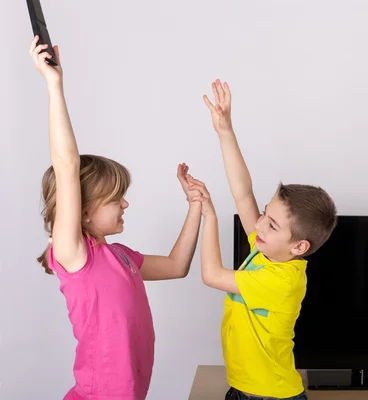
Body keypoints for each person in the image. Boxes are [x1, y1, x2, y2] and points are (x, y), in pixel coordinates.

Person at [30, 36, 204, 400]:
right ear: (84, 208)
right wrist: (54, 85)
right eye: (115, 199)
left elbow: (177, 266)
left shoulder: (122, 256)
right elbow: (67, 165)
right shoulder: (75, 256)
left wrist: (195, 207)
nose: (125, 205)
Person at [199, 79, 337, 399]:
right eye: (264, 214)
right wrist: (225, 132)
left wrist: (209, 216)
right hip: (247, 388)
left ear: (299, 247)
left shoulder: (281, 280)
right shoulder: (268, 251)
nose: (259, 224)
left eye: (272, 224)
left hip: (268, 395)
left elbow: (211, 275)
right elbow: (244, 193)